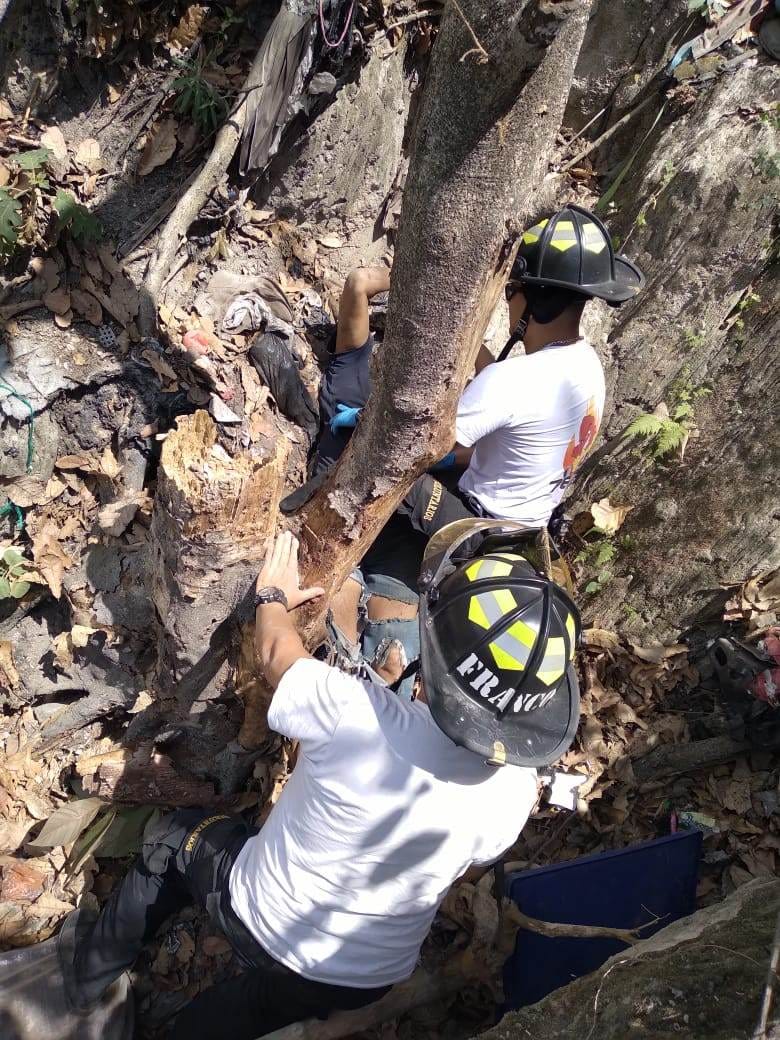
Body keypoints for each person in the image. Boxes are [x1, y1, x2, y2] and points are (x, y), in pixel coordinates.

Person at [36, 524, 580, 1040]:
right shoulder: (516, 793)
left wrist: (271, 595)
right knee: (249, 1010)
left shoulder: (354, 714)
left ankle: (85, 982)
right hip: (363, 976)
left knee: (176, 839)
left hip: (260, 915)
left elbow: (277, 653)